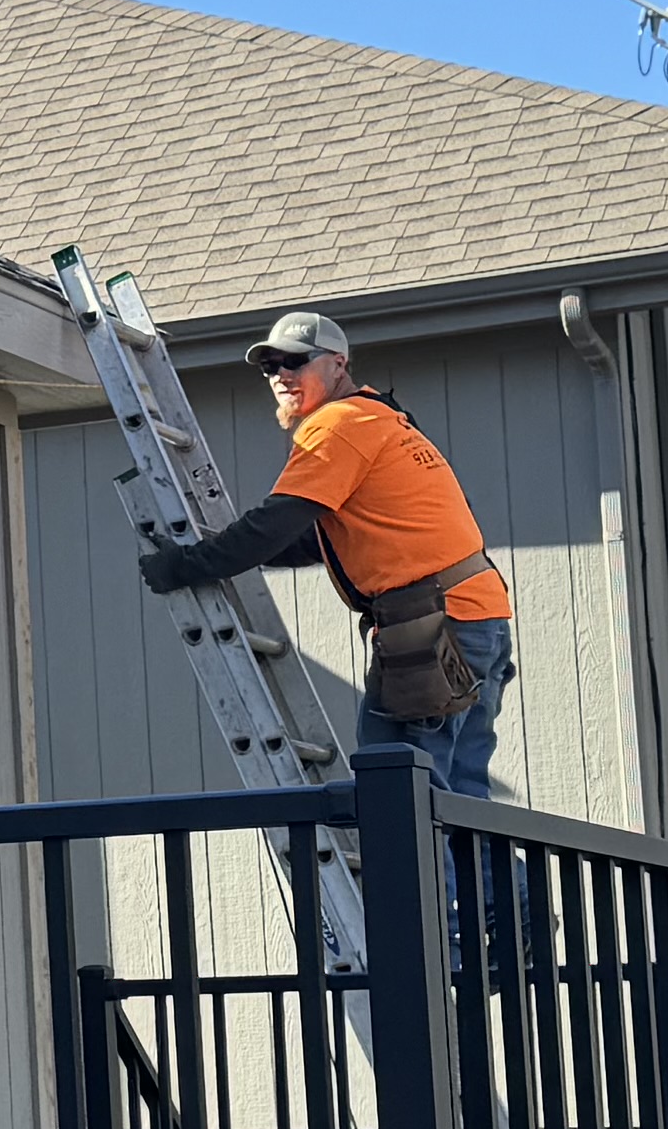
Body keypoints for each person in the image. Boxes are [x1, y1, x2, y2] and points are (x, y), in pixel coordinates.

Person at [136, 309, 513, 791]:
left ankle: (410, 871)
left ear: (338, 364)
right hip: (477, 621)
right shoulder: (382, 417)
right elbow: (316, 539)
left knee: (397, 795)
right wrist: (232, 551)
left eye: (295, 361)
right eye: (270, 366)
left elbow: (274, 522)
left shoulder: (337, 424)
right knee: (462, 803)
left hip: (436, 628)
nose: (281, 375)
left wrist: (186, 565)